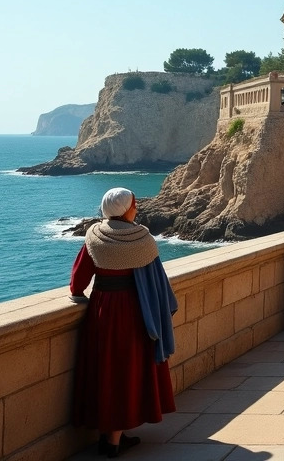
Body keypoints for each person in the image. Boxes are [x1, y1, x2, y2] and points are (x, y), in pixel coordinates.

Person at [70, 187, 177, 458]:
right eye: (134, 204)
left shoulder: (94, 237)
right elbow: (156, 280)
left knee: (106, 371)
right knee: (126, 372)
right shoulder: (142, 239)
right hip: (135, 311)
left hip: (102, 311)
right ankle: (114, 442)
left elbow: (77, 283)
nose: (137, 207)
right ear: (126, 209)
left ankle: (111, 436)